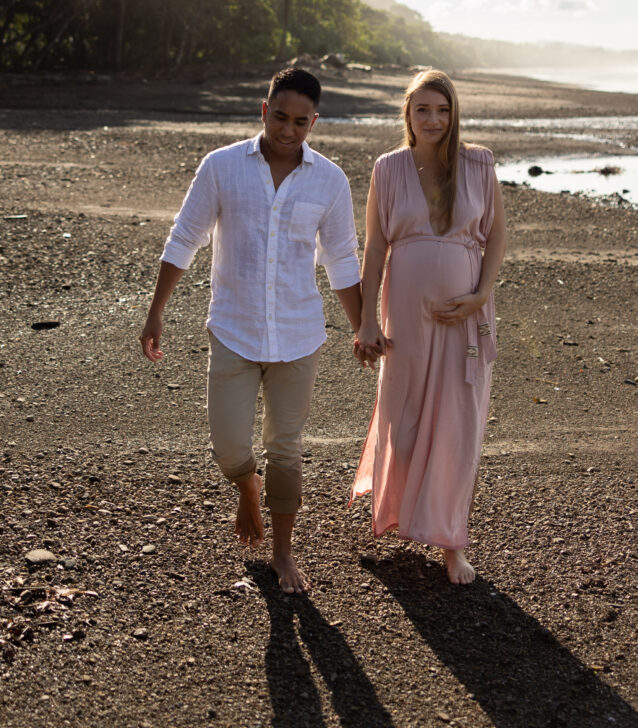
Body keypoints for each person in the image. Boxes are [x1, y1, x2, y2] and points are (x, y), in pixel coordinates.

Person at [140, 68, 362, 594]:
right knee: (227, 442)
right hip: (234, 330)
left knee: (286, 446)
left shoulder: (329, 180)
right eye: (280, 117)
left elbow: (342, 260)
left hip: (299, 335)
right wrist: (156, 312)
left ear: (314, 122)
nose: (288, 130)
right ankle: (246, 485)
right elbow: (184, 238)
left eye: (301, 122)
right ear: (265, 111)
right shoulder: (221, 167)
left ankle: (284, 552)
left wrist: (363, 328)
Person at [352, 69, 506, 584]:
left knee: (459, 425)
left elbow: (498, 236)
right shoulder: (388, 168)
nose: (434, 119)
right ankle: (400, 512)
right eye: (423, 110)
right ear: (408, 115)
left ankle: (450, 543)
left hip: (466, 316)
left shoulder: (479, 163)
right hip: (406, 315)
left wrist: (480, 295)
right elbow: (374, 248)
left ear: (454, 112)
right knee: (407, 414)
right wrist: (367, 320)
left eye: (442, 110)